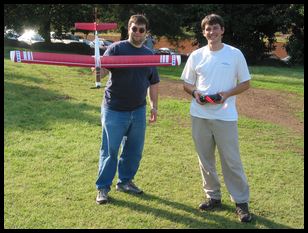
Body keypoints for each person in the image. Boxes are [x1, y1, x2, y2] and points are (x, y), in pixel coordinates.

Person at [180, 14, 252, 223]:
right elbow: (187, 83)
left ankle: (241, 202)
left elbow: (245, 83)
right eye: (207, 29)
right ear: (203, 32)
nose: (211, 32)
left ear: (222, 30)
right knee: (205, 159)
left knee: (231, 160)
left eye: (215, 28)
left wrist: (227, 94)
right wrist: (195, 95)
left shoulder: (234, 54)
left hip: (225, 116)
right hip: (199, 115)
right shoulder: (196, 55)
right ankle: (213, 197)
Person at [95, 14, 159, 204]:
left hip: (138, 110)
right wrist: (98, 69)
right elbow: (104, 70)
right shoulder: (116, 49)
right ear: (129, 28)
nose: (137, 33)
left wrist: (154, 106)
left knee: (134, 150)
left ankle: (125, 182)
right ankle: (103, 188)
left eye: (141, 30)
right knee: (110, 150)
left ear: (146, 32)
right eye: (134, 29)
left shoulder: (149, 55)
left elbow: (153, 83)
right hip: (114, 108)